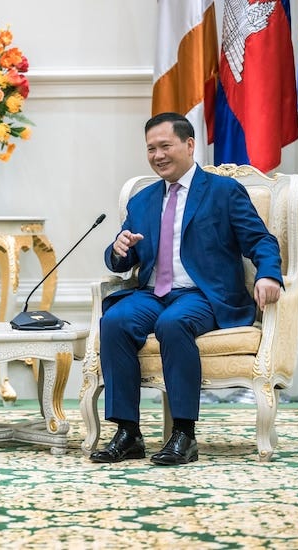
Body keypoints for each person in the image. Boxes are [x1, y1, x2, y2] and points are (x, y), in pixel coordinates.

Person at [90, 112, 282, 466]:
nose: (158, 155)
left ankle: (183, 434)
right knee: (114, 321)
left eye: (165, 146)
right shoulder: (142, 200)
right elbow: (121, 259)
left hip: (203, 294)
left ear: (189, 144)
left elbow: (261, 241)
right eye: (151, 149)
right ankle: (128, 431)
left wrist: (269, 274)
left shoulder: (224, 192)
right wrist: (119, 249)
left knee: (173, 323)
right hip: (152, 293)